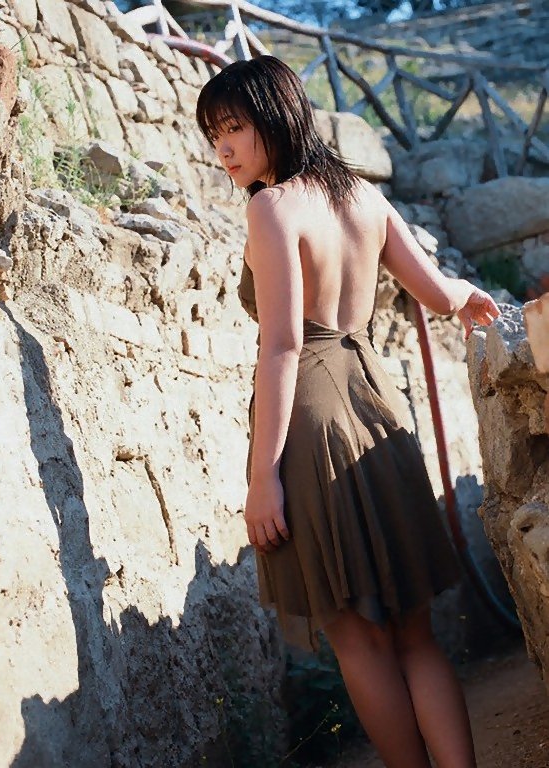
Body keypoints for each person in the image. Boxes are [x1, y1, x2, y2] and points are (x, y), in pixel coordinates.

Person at [196, 55, 500, 768]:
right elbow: (438, 294)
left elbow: (281, 346)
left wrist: (263, 478)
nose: (224, 150)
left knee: (357, 637)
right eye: (214, 135)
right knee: (415, 632)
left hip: (310, 417)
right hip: (375, 405)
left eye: (234, 128)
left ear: (277, 117)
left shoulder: (272, 208)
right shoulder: (363, 196)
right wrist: (471, 298)